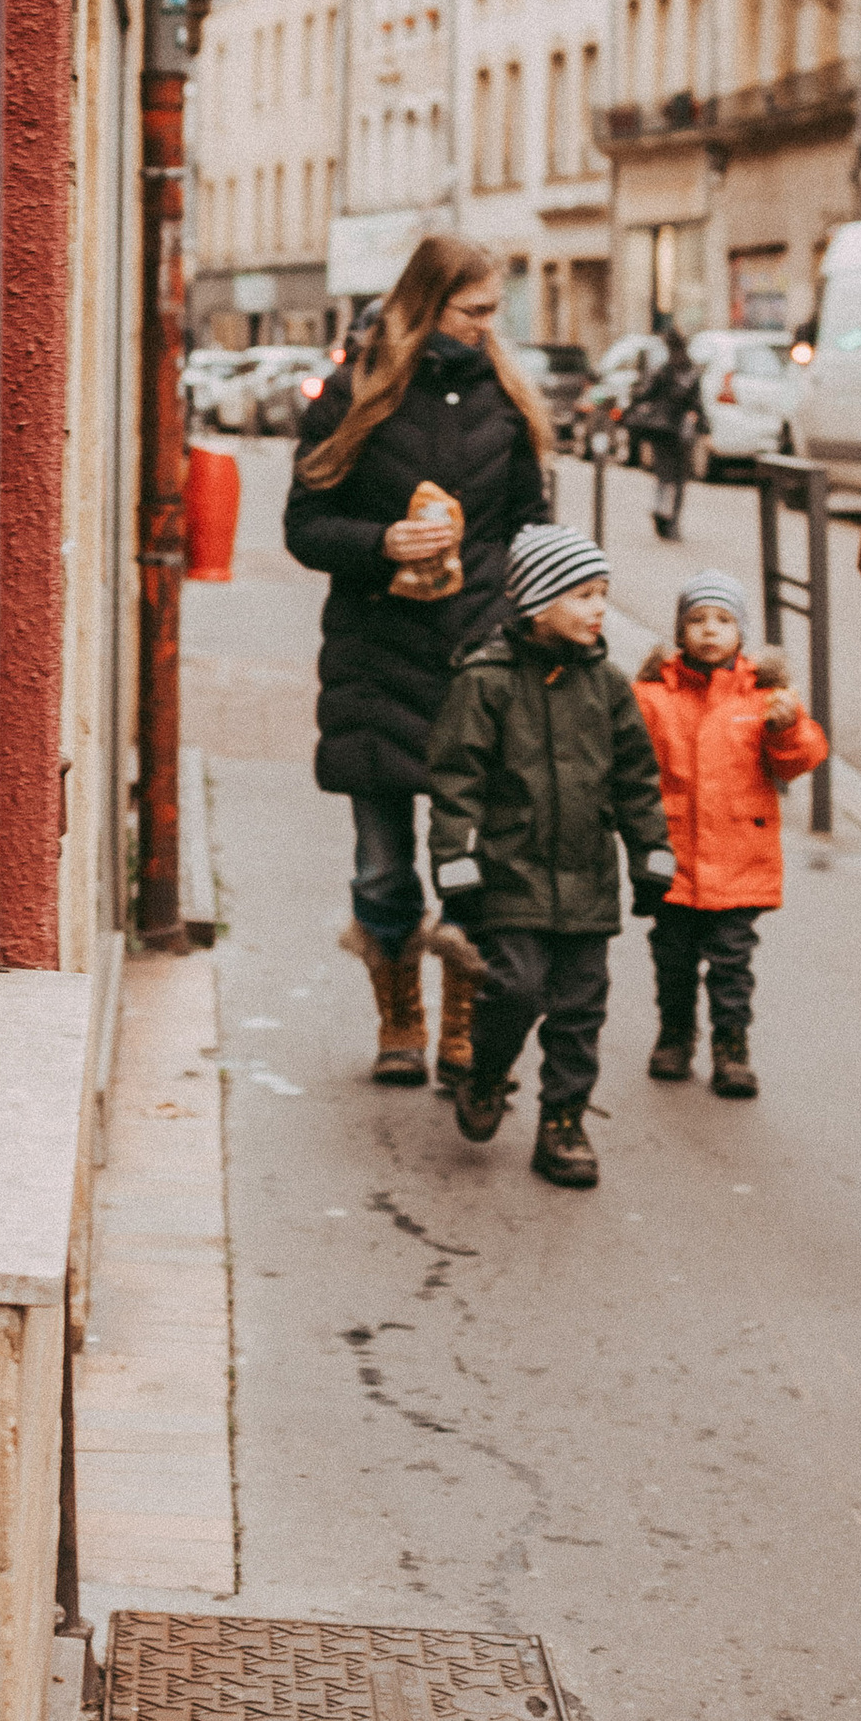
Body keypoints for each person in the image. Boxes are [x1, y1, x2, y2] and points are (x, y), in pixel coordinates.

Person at [285, 236, 550, 1091]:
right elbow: (303, 525)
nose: (486, 327)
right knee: (383, 863)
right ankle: (400, 1014)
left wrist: (501, 604)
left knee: (469, 862)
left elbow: (527, 532)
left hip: (476, 666)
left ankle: (463, 1020)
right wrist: (382, 543)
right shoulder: (352, 395)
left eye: (491, 312)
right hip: (374, 663)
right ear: (426, 305)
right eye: (473, 311)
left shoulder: (504, 404)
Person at [423, 525, 677, 1185]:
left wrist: (652, 851)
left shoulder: (609, 687)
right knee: (515, 987)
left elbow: (636, 780)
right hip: (511, 875)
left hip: (588, 877)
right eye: (583, 595)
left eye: (603, 594)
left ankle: (563, 1122)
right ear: (537, 602)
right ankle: (486, 1073)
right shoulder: (486, 682)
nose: (598, 608)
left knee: (580, 1007)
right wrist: (457, 865)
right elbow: (456, 782)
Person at [631, 568, 828, 1100]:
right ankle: (675, 1033)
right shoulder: (651, 696)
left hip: (741, 860)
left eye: (723, 620)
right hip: (672, 858)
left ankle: (731, 1045)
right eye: (697, 620)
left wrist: (787, 727)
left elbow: (799, 761)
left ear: (741, 632)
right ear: (680, 631)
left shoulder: (764, 695)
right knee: (671, 955)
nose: (710, 631)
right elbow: (630, 764)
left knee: (731, 961)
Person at [625, 328, 706, 539]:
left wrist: (633, 403)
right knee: (679, 478)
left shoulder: (663, 370)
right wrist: (704, 427)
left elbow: (645, 394)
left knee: (664, 475)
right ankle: (672, 522)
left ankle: (662, 511)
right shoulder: (692, 371)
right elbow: (697, 404)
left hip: (662, 430)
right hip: (681, 430)